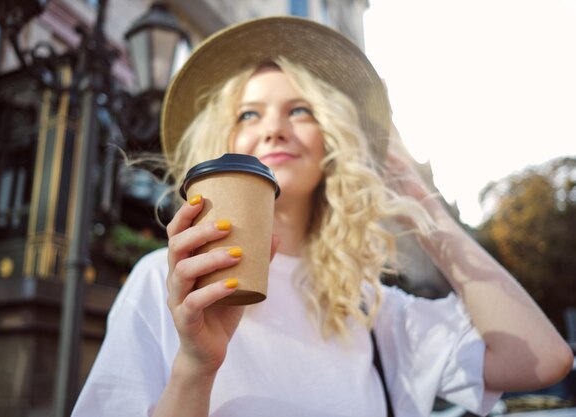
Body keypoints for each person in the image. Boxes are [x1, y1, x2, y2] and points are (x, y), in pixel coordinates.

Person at [71, 16, 572, 417]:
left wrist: (425, 207)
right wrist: (195, 368)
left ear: (333, 144)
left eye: (301, 110)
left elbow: (545, 359)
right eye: (248, 115)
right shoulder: (165, 283)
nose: (273, 129)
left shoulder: (373, 309)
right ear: (224, 145)